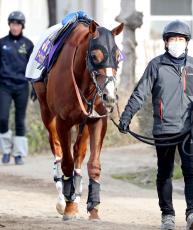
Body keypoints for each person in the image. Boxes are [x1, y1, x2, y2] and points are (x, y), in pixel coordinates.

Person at [118, 20, 193, 230]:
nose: (176, 42)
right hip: (164, 130)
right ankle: (167, 215)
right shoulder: (156, 65)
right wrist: (126, 116)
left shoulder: (192, 66)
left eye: (180, 39)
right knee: (165, 173)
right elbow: (140, 93)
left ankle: (191, 213)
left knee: (191, 172)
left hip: (189, 131)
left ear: (186, 42)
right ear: (166, 42)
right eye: (172, 39)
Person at [0, 11, 34, 165]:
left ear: (22, 26)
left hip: (22, 86)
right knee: (2, 118)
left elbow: (34, 68)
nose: (15, 27)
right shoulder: (2, 43)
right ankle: (6, 151)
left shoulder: (28, 44)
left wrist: (35, 87)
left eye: (18, 24)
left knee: (20, 120)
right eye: (13, 24)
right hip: (4, 86)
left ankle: (19, 154)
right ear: (9, 25)